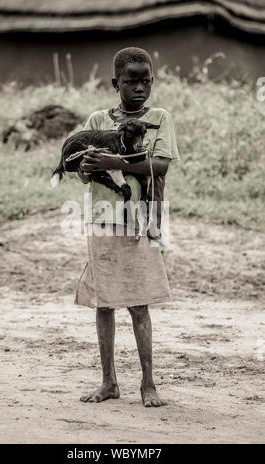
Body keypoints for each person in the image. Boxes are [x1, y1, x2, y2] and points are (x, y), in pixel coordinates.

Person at [75, 47, 180, 407]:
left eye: (145, 81)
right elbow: (83, 173)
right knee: (104, 303)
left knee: (138, 303)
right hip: (102, 218)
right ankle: (109, 382)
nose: (139, 88)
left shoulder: (160, 118)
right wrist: (88, 166)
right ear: (114, 83)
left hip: (142, 220)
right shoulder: (97, 121)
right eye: (131, 81)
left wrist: (113, 159)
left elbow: (160, 166)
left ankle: (148, 383)